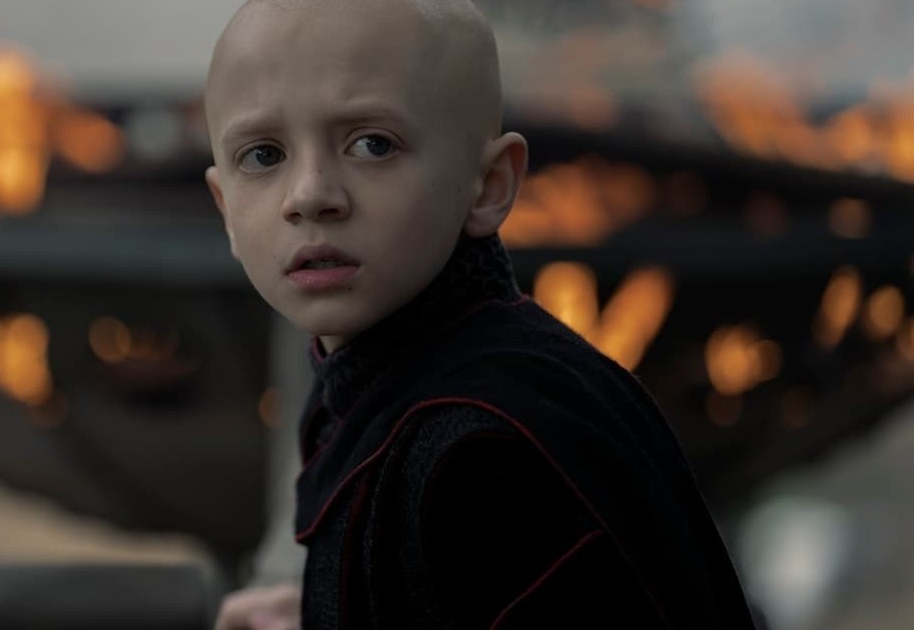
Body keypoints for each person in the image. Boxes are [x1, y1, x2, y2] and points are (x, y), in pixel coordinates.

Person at [203, 0, 758, 627]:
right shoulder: (387, 381)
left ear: (490, 184)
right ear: (226, 210)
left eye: (372, 144)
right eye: (263, 156)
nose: (309, 195)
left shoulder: (484, 451)